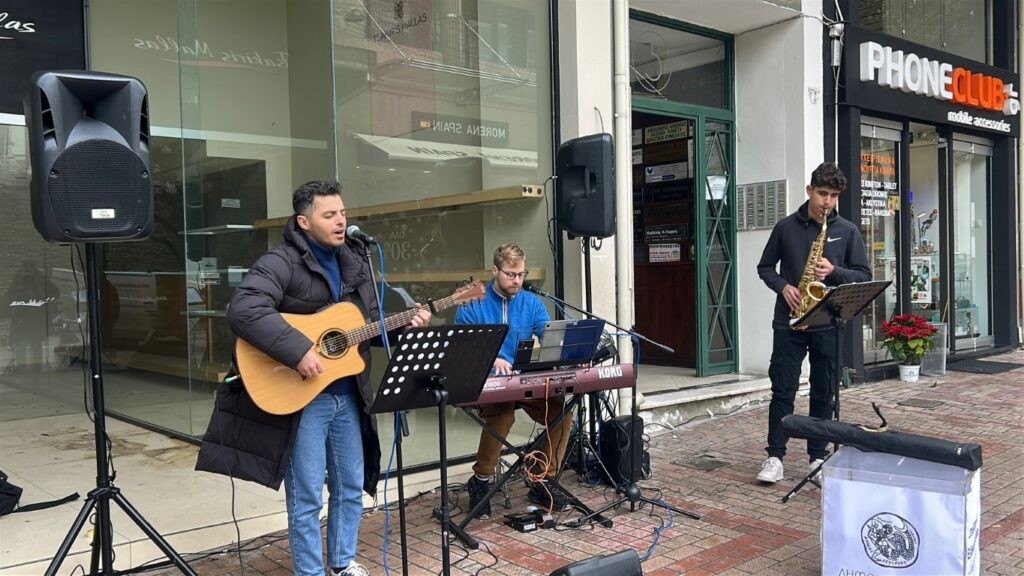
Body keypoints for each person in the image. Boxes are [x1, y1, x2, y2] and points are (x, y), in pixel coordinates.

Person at [197, 180, 430, 576]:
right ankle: (309, 572)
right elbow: (244, 310)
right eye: (330, 215)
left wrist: (407, 325)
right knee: (306, 495)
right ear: (304, 221)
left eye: (343, 212)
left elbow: (366, 326)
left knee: (350, 485)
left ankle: (341, 563)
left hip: (350, 394)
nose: (341, 221)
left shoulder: (356, 259)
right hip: (305, 397)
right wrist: (297, 349)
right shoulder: (280, 262)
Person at [755, 162, 870, 484]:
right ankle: (775, 457)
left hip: (827, 323)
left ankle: (817, 459)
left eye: (834, 196)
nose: (827, 202)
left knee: (823, 394)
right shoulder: (785, 227)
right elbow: (765, 267)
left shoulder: (846, 230)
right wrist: (784, 287)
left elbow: (863, 275)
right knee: (783, 391)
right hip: (789, 321)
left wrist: (834, 272)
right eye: (822, 194)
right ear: (809, 190)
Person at [454, 242, 572, 518]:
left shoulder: (531, 303)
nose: (517, 280)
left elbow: (548, 336)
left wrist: (568, 351)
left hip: (523, 381)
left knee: (561, 412)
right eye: (510, 274)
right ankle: (481, 480)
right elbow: (460, 347)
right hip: (488, 384)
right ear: (495, 270)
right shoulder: (472, 303)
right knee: (503, 416)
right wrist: (490, 359)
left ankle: (542, 479)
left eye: (521, 274)